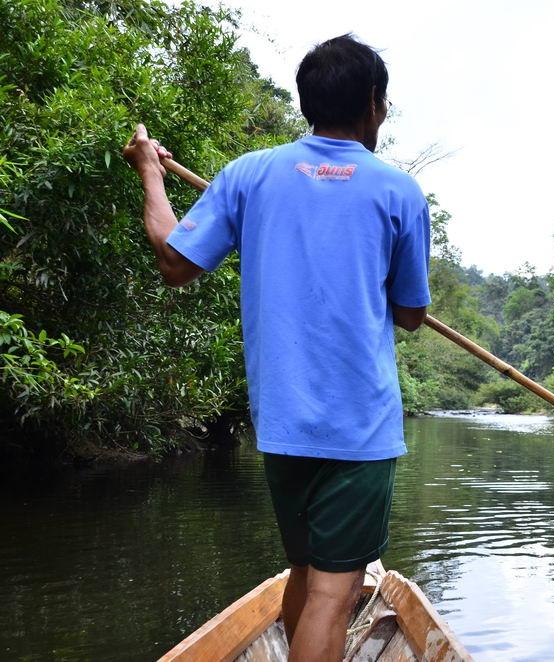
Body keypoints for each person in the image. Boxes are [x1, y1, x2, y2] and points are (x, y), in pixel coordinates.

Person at [123, 35, 431, 662]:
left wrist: (151, 174)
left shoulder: (249, 174)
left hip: (283, 422)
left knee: (304, 572)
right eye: (385, 102)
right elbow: (411, 315)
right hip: (357, 428)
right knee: (331, 596)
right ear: (373, 103)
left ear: (307, 101)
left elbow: (174, 261)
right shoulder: (398, 192)